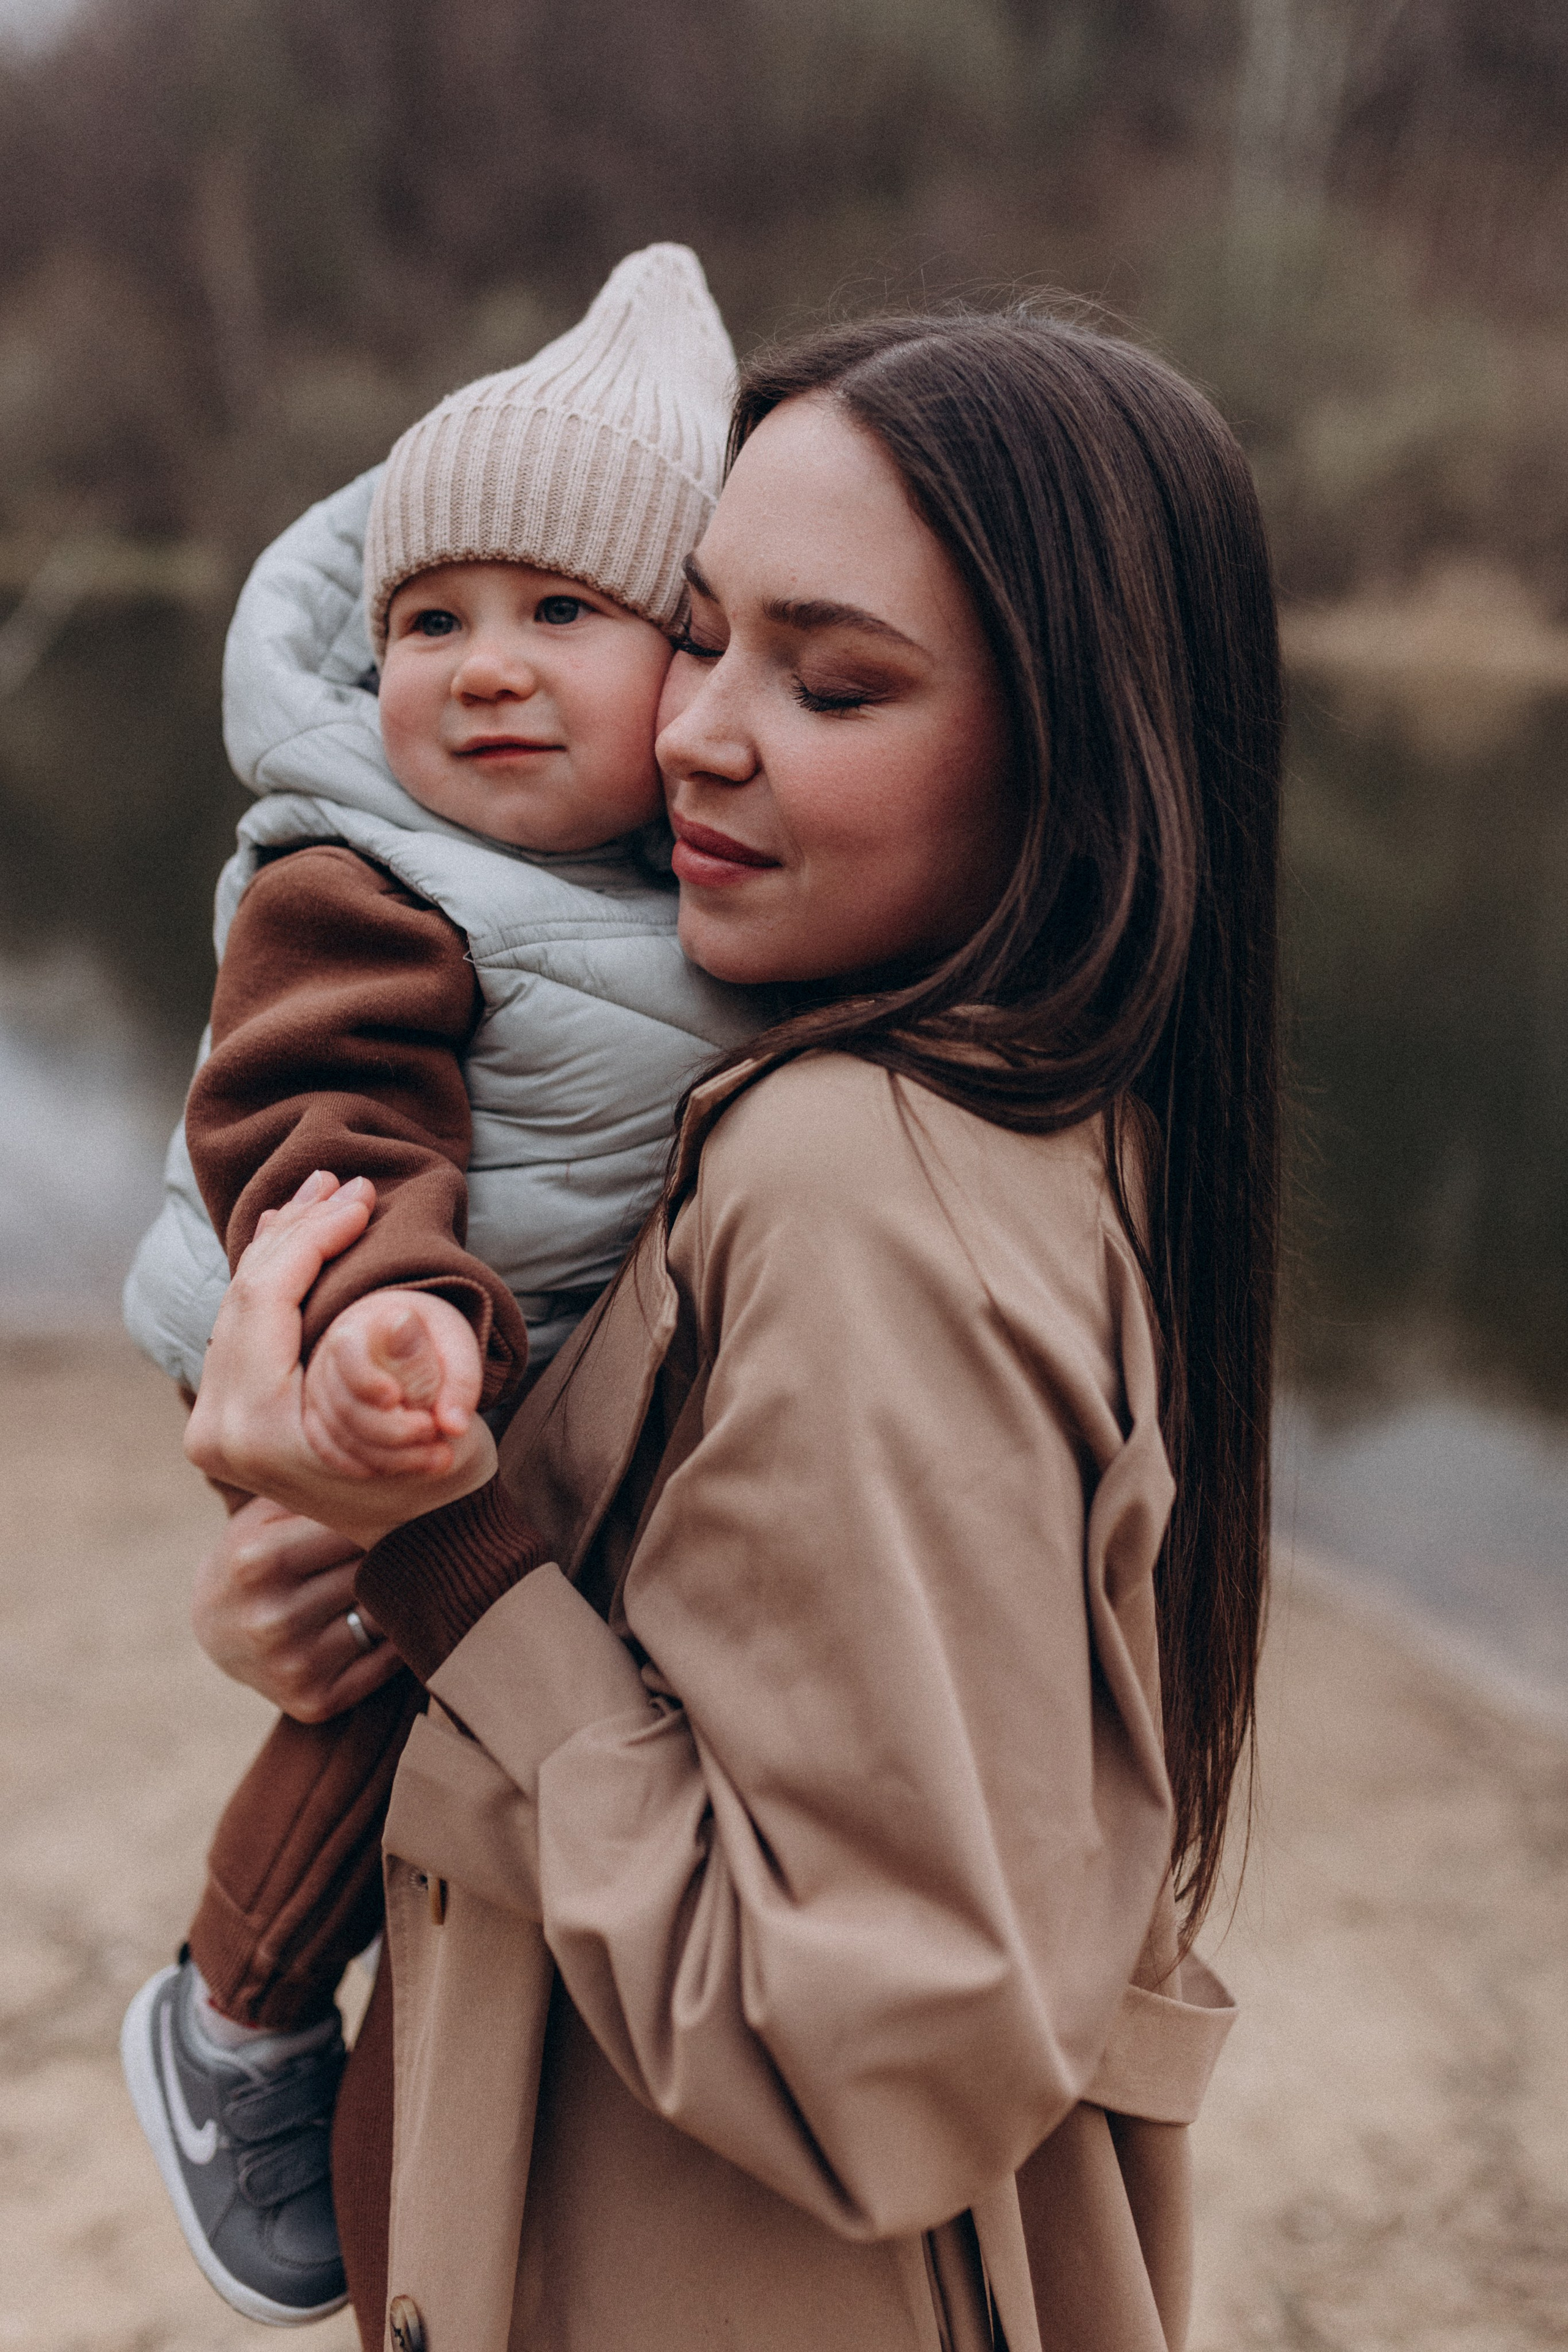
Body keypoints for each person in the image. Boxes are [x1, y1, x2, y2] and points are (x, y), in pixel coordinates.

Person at [184, 304, 1282, 2352]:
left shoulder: (860, 1177)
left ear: (1080, 755)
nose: (689, 729)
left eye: (832, 679)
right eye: (697, 632)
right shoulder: (1043, 1109)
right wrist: (346, 1567)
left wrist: (431, 1549)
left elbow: (882, 2050)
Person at [118, 244, 767, 2326]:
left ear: (690, 656)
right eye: (429, 620)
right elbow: (316, 1122)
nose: (482, 667)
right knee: (387, 1673)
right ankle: (239, 2010)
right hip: (358, 1357)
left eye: (562, 614)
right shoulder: (361, 871)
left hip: (521, 1381)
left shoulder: (694, 887)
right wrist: (392, 1314)